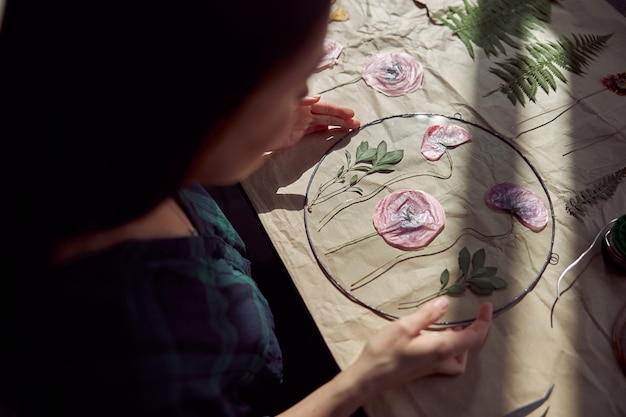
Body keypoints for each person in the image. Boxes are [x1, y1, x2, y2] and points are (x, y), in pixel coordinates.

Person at [0, 0, 493, 416]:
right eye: (294, 81)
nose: (304, 94)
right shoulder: (145, 343)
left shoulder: (85, 140)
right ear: (203, 102)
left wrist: (235, 139)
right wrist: (364, 380)